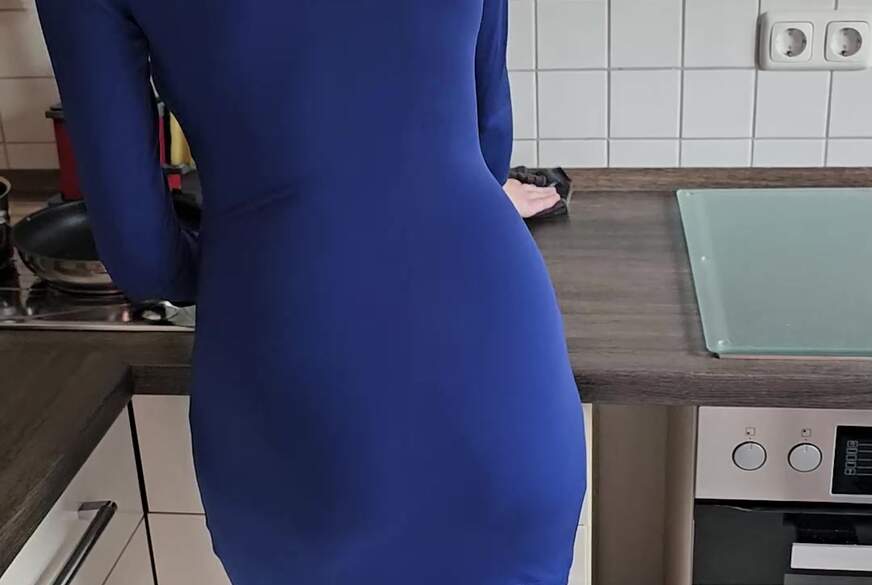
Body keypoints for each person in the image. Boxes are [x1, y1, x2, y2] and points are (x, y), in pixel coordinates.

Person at [35, 1, 586, 584]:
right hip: (507, 380)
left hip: (301, 385)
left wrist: (251, 252)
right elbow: (489, 147)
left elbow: (144, 259)